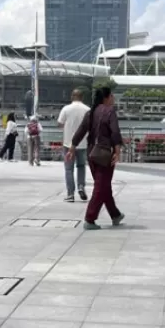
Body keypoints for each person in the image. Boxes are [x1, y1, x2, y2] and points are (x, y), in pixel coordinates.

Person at [68, 87, 124, 231]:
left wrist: (72, 147)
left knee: (103, 185)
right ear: (106, 97)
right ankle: (89, 219)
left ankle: (115, 214)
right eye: (112, 96)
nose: (113, 98)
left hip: (91, 153)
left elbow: (80, 131)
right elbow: (115, 132)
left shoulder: (91, 112)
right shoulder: (110, 111)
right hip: (105, 154)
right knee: (100, 187)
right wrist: (117, 150)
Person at [58, 89, 89, 201]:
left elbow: (60, 123)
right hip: (83, 143)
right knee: (81, 166)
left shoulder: (66, 109)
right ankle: (81, 186)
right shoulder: (88, 110)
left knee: (69, 169)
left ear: (72, 96)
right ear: (82, 97)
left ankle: (70, 194)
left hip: (68, 144)